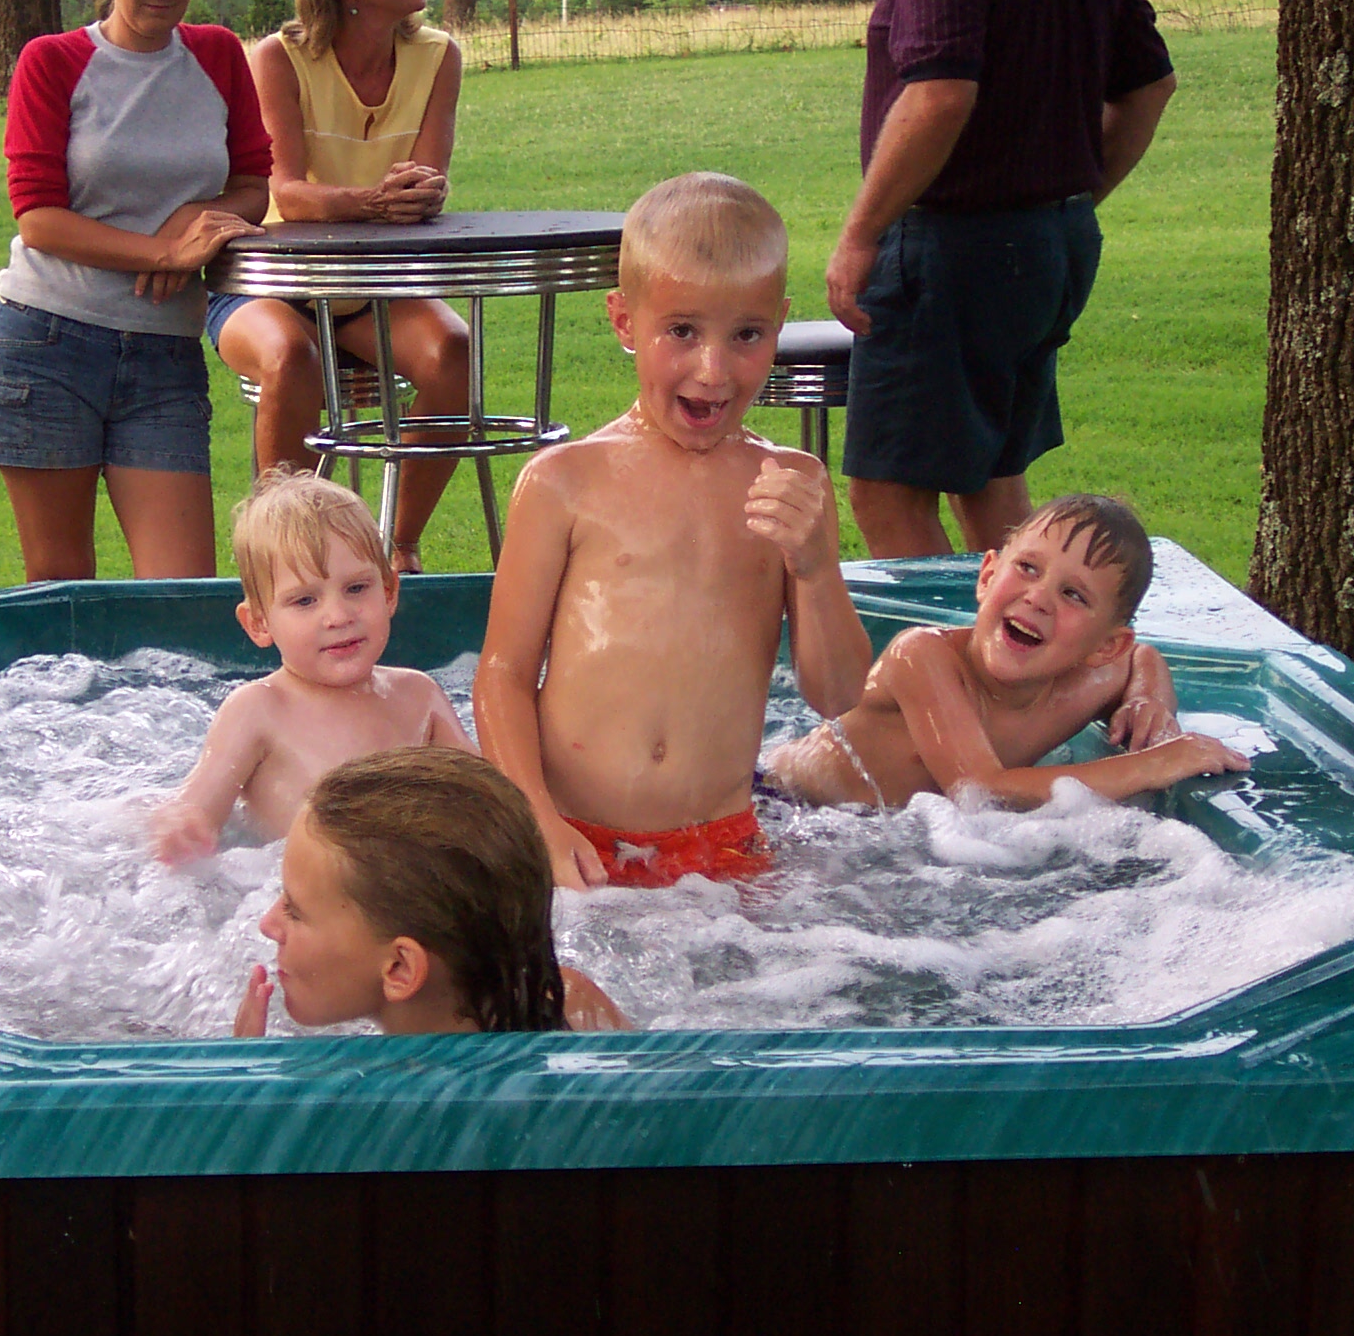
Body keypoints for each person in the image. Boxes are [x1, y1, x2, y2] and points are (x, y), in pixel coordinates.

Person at [474, 173, 874, 891]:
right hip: (575, 837)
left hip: (722, 849)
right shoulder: (566, 482)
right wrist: (535, 817)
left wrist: (817, 569)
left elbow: (839, 695)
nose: (713, 371)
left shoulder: (788, 484)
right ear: (625, 320)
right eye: (682, 331)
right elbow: (502, 674)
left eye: (746, 335)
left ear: (779, 323)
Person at [829, 0, 1180, 559]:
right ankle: (1033, 672)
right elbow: (1149, 87)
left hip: (952, 252)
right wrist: (1071, 200)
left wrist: (862, 234)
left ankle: (948, 682)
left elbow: (940, 93)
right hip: (1049, 248)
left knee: (886, 493)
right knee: (990, 477)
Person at [0, 0, 270, 582]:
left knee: (179, 595)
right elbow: (38, 219)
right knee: (62, 591)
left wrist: (198, 220)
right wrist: (164, 249)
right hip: (47, 341)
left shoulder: (219, 55)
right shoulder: (54, 61)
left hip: (164, 352)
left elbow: (257, 182)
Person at [215, 0, 473, 573]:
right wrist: (370, 199)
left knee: (452, 347)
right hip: (269, 283)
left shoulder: (439, 57)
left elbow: (426, 179)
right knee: (289, 356)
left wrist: (418, 193)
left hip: (368, 286)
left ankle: (395, 548)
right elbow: (287, 193)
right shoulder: (279, 57)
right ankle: (286, 561)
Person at [767, 494, 1249, 808]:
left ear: (1104, 646)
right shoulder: (923, 658)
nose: (1038, 597)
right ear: (987, 576)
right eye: (1028, 569)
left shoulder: (1085, 684)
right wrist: (1152, 763)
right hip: (782, 804)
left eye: (1073, 595)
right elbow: (979, 791)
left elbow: (1142, 658)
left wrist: (1148, 701)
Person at [149, 470, 470, 863]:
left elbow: (488, 799)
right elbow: (198, 809)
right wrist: (179, 829)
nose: (337, 616)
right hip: (291, 902)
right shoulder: (257, 710)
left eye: (356, 588)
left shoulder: (419, 697)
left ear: (388, 592)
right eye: (304, 601)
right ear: (259, 623)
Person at [232, 748, 628, 1036]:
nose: (268, 923)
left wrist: (243, 1095)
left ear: (400, 968)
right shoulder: (567, 1000)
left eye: (295, 910)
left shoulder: (369, 1114)